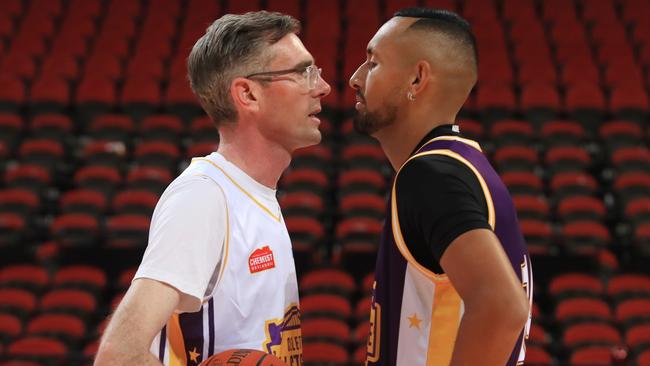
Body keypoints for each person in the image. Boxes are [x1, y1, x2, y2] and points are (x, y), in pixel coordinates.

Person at [95, 11, 330, 366]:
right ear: (248, 94)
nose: (322, 87)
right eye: (302, 72)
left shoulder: (252, 193)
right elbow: (118, 355)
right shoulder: (204, 197)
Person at [348, 8, 532, 366]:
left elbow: (503, 306)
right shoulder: (468, 164)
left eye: (372, 64)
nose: (354, 78)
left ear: (417, 79)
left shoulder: (429, 175)